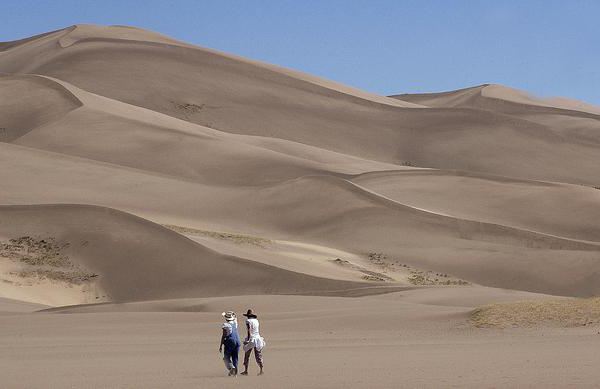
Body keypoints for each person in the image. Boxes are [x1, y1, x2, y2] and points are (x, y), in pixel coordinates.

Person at [240, 309, 266, 376]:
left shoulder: (248, 321)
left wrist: (248, 340)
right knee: (258, 355)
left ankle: (246, 371)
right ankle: (261, 370)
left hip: (252, 339)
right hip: (258, 338)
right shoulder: (256, 321)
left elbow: (249, 331)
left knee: (247, 355)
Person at [219, 311, 241, 376]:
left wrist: (221, 345)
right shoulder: (235, 323)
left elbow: (224, 335)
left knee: (226, 357)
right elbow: (235, 318)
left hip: (230, 341)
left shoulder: (225, 325)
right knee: (235, 357)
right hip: (238, 341)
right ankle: (235, 373)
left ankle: (232, 368)